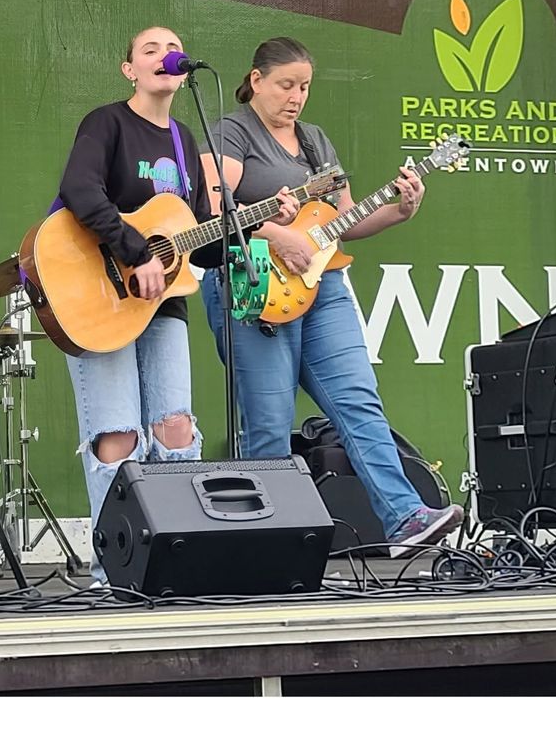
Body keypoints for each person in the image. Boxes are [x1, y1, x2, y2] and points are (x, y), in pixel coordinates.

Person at [199, 36, 464, 556]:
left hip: (324, 287)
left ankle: (405, 516)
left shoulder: (316, 141)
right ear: (256, 80)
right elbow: (213, 216)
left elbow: (343, 221)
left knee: (359, 402)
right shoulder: (232, 132)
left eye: (304, 87)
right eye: (285, 85)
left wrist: (400, 210)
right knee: (269, 421)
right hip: (253, 285)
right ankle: (266, 545)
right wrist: (278, 235)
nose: (296, 96)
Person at [55, 26, 297, 586]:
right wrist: (134, 250)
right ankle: (113, 570)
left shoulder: (189, 141)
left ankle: (176, 557)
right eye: (149, 50)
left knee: (175, 429)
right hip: (99, 293)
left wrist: (258, 219)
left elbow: (199, 242)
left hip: (162, 303)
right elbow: (80, 191)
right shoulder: (107, 122)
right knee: (117, 435)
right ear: (130, 70)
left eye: (172, 49)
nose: (165, 56)